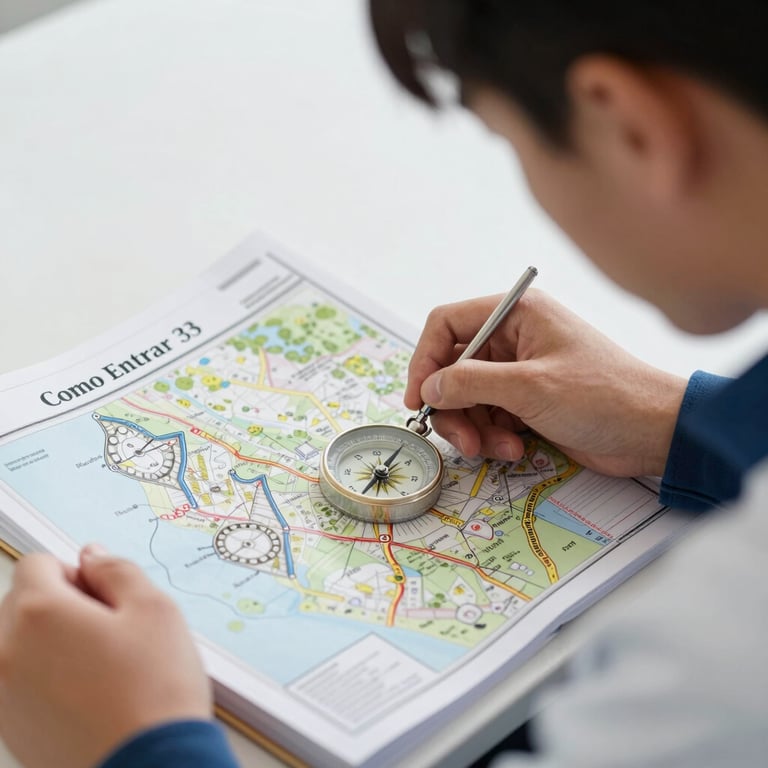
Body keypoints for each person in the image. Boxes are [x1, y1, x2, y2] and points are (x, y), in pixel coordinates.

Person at [1, 1, 767, 766]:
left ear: (625, 123)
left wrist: (139, 744)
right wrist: (675, 424)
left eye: (508, 141)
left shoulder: (723, 656)